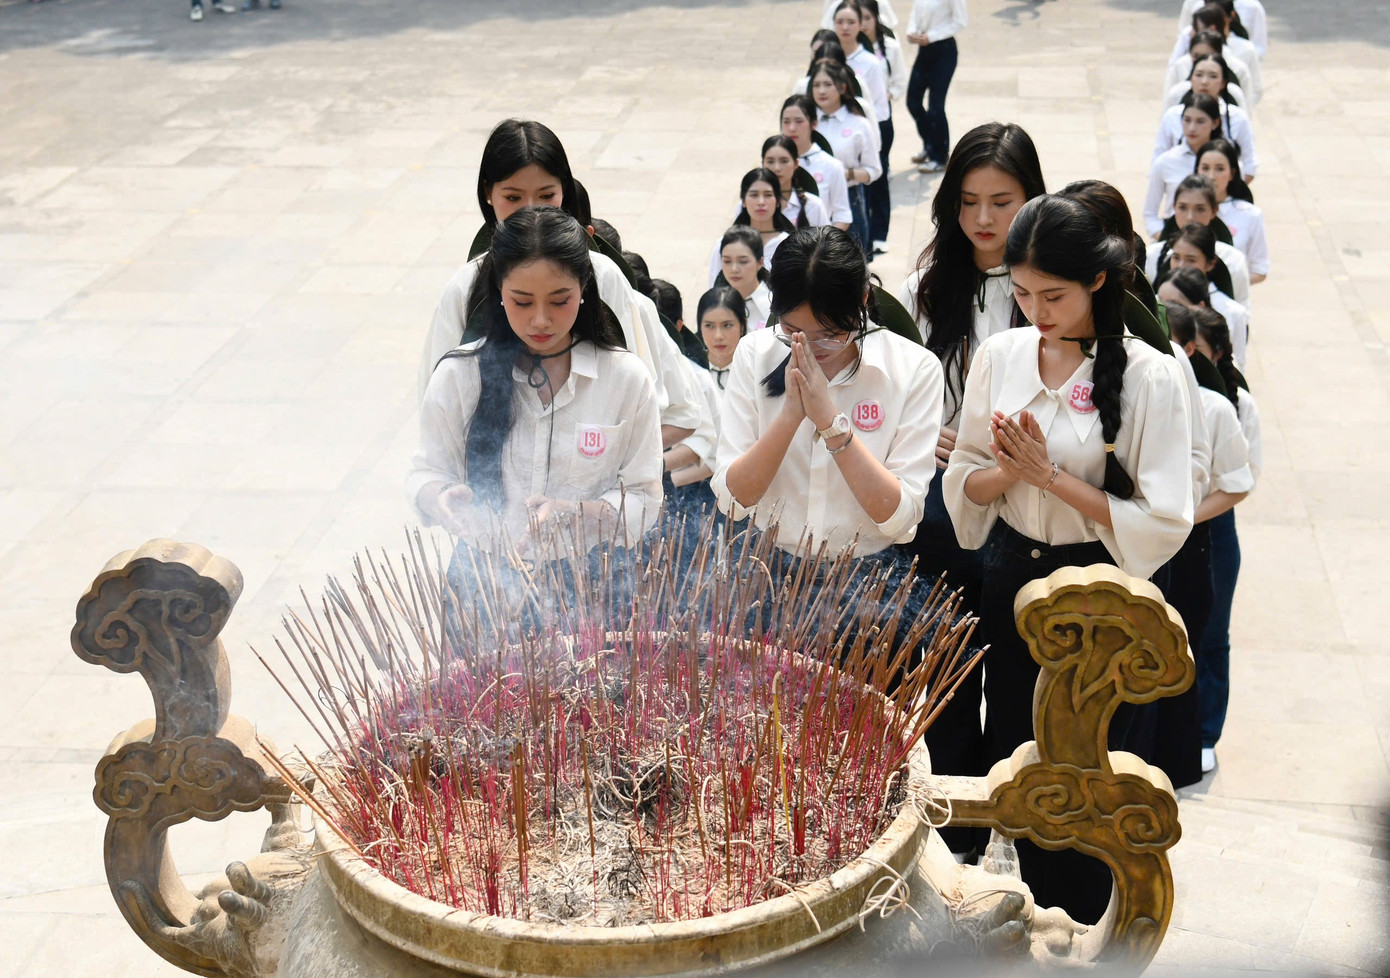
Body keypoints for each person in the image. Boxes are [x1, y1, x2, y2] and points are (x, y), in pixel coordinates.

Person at [944, 195, 1192, 923]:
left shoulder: (1149, 374)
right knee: (1015, 749)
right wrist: (1013, 475)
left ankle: (1089, 920)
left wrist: (1054, 478)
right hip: (1014, 573)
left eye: (1053, 295)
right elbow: (963, 480)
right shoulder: (1001, 355)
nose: (1035, 311)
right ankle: (1031, 918)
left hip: (1100, 590)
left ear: (1099, 283)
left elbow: (1164, 517)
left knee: (1086, 764)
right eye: (1021, 293)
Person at [895, 123, 1045, 855]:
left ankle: (1017, 822)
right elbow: (896, 391)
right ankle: (957, 841)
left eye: (1003, 201)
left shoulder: (1053, 289)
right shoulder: (925, 288)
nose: (984, 220)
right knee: (948, 679)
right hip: (943, 513)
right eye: (968, 202)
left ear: (1033, 199)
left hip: (1024, 514)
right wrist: (932, 433)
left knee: (1018, 686)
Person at [418, 121, 706, 465]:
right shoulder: (464, 288)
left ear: (565, 193)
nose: (530, 210)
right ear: (487, 193)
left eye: (546, 196)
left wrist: (593, 467)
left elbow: (646, 400)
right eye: (512, 197)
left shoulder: (604, 277)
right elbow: (437, 416)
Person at [408, 206, 664, 563]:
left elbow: (644, 497)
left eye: (560, 300)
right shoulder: (458, 375)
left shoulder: (625, 379)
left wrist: (576, 512)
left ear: (584, 287)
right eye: (522, 302)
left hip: (592, 583)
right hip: (484, 581)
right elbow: (427, 472)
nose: (541, 320)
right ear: (499, 290)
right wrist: (438, 496)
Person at [714, 225, 942, 564]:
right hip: (768, 560)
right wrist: (791, 415)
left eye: (831, 334)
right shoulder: (754, 354)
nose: (811, 348)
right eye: (792, 331)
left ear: (863, 298)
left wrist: (831, 424)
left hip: (867, 569)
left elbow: (901, 519)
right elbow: (733, 502)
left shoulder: (913, 369)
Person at [1150, 303, 1254, 788]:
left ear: (1187, 351)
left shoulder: (1215, 408)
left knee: (1201, 642)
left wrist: (1183, 516)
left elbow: (1236, 483)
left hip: (1197, 540)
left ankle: (1199, 740)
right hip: (1153, 540)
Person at [1191, 306, 1260, 775]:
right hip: (1173, 522)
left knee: (1212, 636)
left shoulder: (1232, 404)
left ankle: (1206, 731)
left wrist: (1187, 517)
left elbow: (1243, 479)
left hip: (1211, 527)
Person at [832, 1, 894, 255]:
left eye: (851, 22)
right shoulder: (829, 59)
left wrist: (862, 129)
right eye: (840, 22)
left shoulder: (871, 63)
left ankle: (878, 235)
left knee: (875, 183)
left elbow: (880, 108)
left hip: (872, 130)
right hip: (841, 137)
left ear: (861, 25)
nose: (845, 28)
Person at [810, 61, 881, 254]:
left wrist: (844, 174)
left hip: (849, 198)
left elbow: (874, 170)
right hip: (811, 198)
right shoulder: (806, 121)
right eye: (816, 85)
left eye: (827, 84)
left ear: (842, 87)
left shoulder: (859, 123)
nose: (821, 91)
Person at [1153, 57, 1257, 179]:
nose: (1204, 82)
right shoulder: (1172, 115)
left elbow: (1250, 166)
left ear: (1223, 82)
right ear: (1190, 78)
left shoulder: (1238, 117)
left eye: (1213, 76)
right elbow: (1158, 161)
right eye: (1198, 75)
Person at [1142, 95, 1223, 238]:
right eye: (1187, 120)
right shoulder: (1165, 162)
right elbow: (1150, 214)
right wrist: (1167, 239)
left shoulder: (1225, 162)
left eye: (1200, 121)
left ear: (1215, 123)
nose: (1192, 128)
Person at [904, 0, 967, 173]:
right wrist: (911, 32)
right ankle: (930, 144)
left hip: (944, 51)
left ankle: (939, 156)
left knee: (935, 107)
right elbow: (915, 14)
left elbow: (960, 21)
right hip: (924, 51)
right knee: (913, 102)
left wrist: (931, 36)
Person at [1197, 138, 1269, 282]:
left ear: (1232, 173)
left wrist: (1229, 284)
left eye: (1219, 169)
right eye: (1205, 168)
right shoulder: (1184, 209)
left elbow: (1260, 270)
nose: (1211, 176)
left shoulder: (1250, 215)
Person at [710, 168, 794, 285]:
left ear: (778, 201)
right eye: (754, 195)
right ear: (743, 201)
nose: (761, 202)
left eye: (768, 195)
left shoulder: (790, 245)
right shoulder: (724, 245)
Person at [782, 95, 853, 231]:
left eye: (799, 121)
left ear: (814, 123)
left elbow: (842, 215)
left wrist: (825, 244)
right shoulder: (771, 166)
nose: (791, 128)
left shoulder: (831, 166)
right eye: (786, 122)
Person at [760, 135, 831, 229]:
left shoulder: (813, 205)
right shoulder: (749, 204)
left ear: (796, 164)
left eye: (784, 161)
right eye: (770, 162)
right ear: (762, 164)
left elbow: (827, 242)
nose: (776, 168)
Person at [715, 226, 774, 332]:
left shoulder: (773, 304)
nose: (734, 269)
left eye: (743, 261)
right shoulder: (715, 304)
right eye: (727, 261)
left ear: (760, 262)